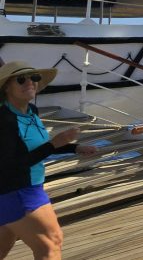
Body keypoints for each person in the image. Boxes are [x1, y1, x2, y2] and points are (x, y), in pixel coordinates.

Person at [0, 61, 97, 260]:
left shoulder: (31, 112)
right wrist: (54, 144)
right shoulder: (4, 119)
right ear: (6, 86)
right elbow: (10, 165)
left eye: (33, 78)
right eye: (21, 79)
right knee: (51, 244)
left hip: (29, 187)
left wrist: (74, 148)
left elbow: (36, 147)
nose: (30, 83)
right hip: (16, 191)